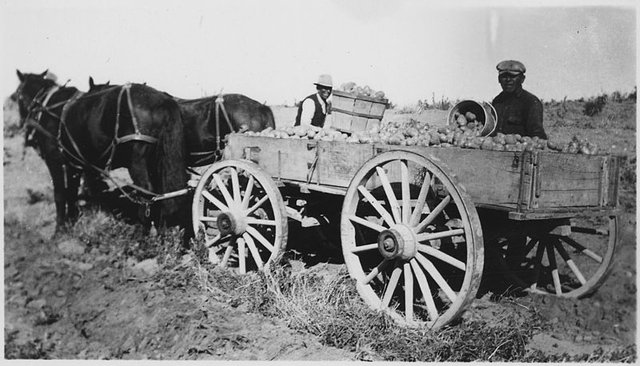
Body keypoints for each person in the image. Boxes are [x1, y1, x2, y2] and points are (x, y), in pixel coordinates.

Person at [491, 60, 547, 139]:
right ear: (499, 79)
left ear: (522, 79)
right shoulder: (497, 101)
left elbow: (537, 135)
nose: (508, 80)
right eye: (504, 76)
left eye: (513, 76)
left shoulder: (531, 102)